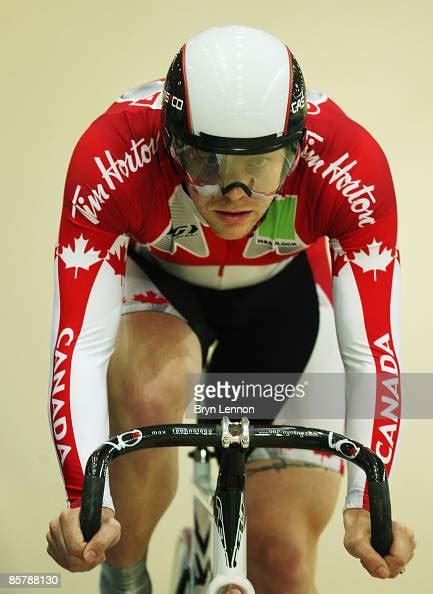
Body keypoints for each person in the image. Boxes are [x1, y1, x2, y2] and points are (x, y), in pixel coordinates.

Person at [46, 25, 415, 594]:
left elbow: (371, 353)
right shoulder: (113, 153)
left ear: (298, 149)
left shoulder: (349, 164)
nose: (234, 192)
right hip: (163, 290)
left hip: (281, 306)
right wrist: (83, 498)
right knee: (149, 392)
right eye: (207, 162)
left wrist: (369, 499)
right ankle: (125, 577)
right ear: (170, 142)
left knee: (282, 566)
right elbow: (81, 347)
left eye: (259, 166)